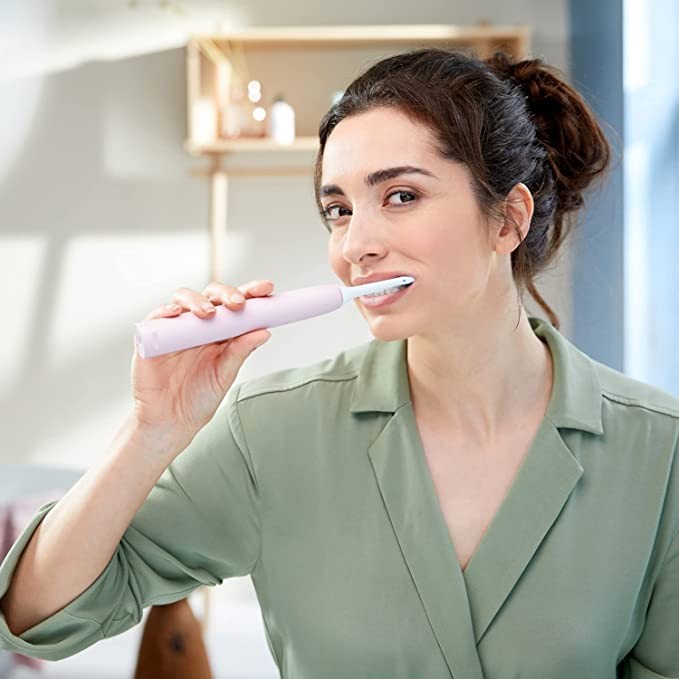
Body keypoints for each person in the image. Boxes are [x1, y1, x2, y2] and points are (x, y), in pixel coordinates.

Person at [1, 47, 678, 678]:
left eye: (400, 196)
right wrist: (152, 429)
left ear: (507, 219)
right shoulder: (272, 431)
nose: (355, 244)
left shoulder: (660, 450)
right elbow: (37, 614)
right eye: (338, 209)